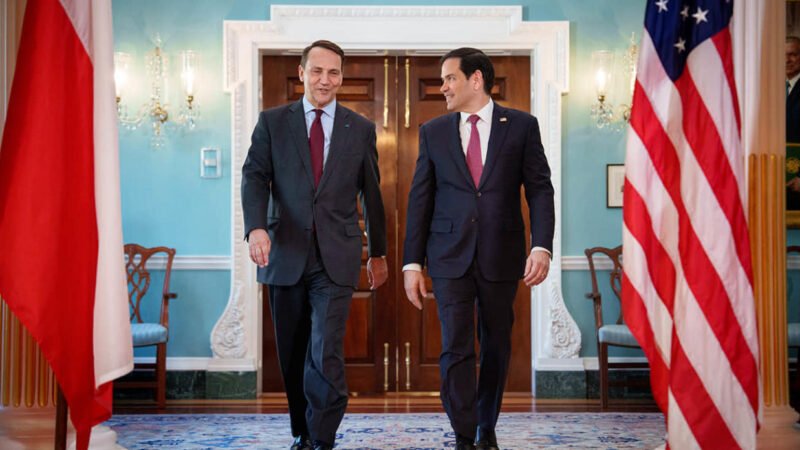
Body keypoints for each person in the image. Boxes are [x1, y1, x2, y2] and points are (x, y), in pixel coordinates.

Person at [402, 48, 554, 450]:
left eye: (449, 78)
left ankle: (487, 426)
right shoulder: (433, 131)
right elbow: (420, 199)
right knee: (455, 345)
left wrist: (541, 246)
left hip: (501, 255)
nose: (443, 87)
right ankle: (464, 433)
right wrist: (412, 263)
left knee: (496, 344)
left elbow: (540, 189)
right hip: (448, 256)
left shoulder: (521, 126)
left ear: (476, 79)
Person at [242, 40, 387, 450]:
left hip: (336, 256)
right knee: (292, 351)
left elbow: (372, 194)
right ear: (302, 73)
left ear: (341, 78)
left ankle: (323, 437)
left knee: (325, 348)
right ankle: (303, 432)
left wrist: (378, 252)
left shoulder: (360, 129)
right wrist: (256, 228)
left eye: (334, 72)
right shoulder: (273, 122)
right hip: (284, 252)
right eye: (318, 71)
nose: (326, 80)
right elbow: (254, 177)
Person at [787, 37, 800, 209]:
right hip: (772, 179)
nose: (786, 60)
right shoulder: (771, 87)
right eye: (783, 55)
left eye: (792, 55)